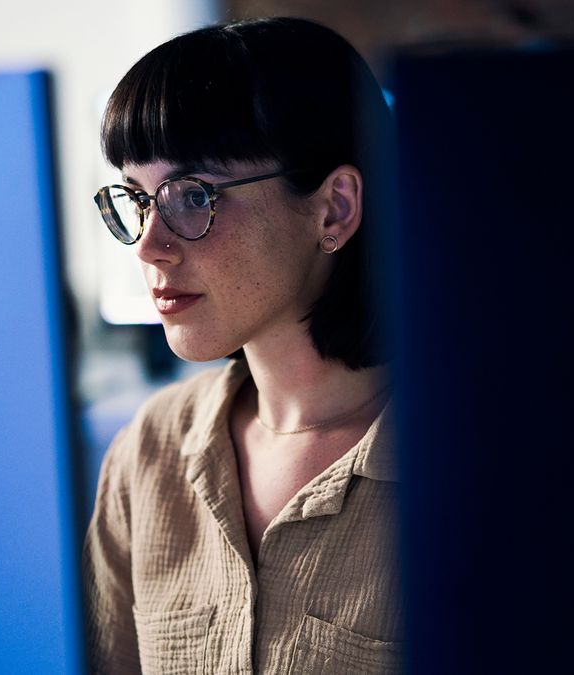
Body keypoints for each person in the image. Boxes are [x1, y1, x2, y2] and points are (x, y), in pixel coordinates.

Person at [83, 17, 401, 674]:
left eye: (192, 195)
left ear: (334, 209)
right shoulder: (150, 453)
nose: (147, 244)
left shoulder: (475, 462)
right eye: (138, 200)